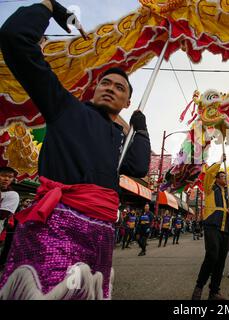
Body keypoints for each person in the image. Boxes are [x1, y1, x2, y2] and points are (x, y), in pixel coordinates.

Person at [0, 1, 150, 300]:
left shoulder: (119, 136)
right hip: (55, 228)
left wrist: (141, 129)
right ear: (94, 90)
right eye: (105, 83)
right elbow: (14, 39)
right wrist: (48, 6)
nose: (110, 88)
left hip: (101, 238)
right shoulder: (64, 107)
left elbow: (138, 166)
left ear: (127, 102)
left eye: (120, 88)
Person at [191, 157, 229, 300]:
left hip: (227, 229)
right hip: (212, 227)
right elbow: (208, 173)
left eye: (225, 176)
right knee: (212, 256)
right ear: (216, 179)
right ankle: (199, 287)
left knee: (221, 260)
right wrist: (221, 161)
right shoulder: (209, 188)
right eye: (222, 176)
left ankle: (214, 291)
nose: (225, 178)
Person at [0, 167, 20, 271]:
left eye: (10, 177)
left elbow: (3, 214)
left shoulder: (12, 195)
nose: (6, 179)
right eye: (3, 175)